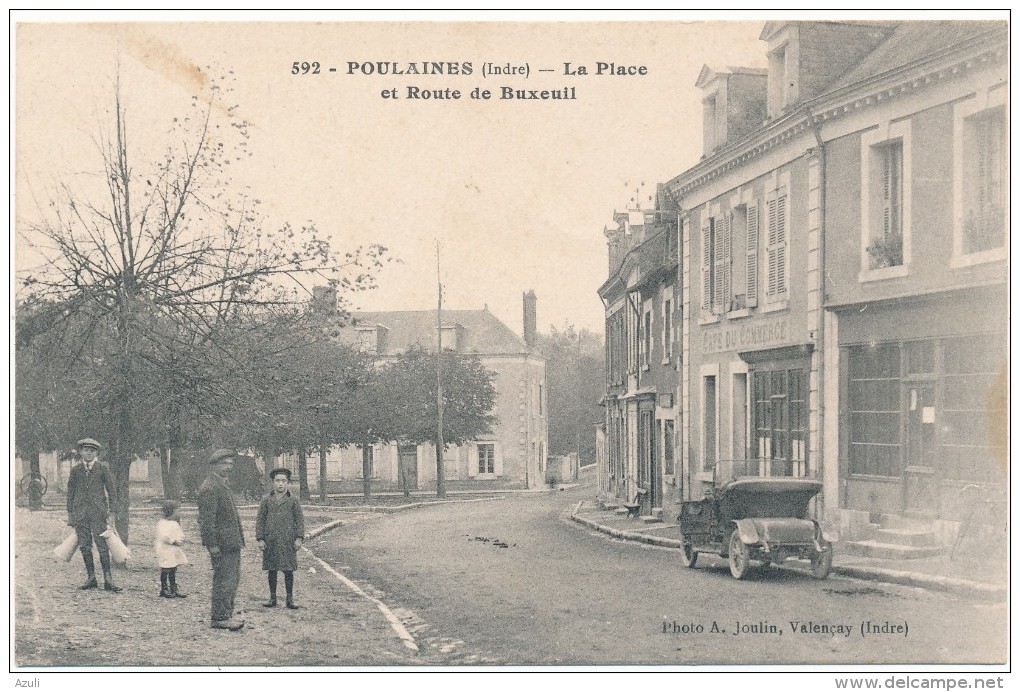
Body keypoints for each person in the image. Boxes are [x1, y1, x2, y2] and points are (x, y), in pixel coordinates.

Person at [197, 449, 245, 631]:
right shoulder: (210, 487)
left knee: (231, 579)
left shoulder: (221, 484)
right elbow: (206, 522)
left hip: (231, 542)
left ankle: (227, 613)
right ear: (214, 465)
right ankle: (220, 617)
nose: (229, 467)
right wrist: (212, 545)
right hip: (222, 544)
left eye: (231, 463)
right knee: (224, 580)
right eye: (225, 463)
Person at [65, 438, 121, 592]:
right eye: (85, 450)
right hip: (80, 513)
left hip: (98, 513)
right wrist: (70, 513)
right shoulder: (75, 470)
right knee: (84, 545)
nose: (88, 452)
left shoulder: (102, 469)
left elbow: (112, 492)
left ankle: (108, 579)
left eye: (92, 450)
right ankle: (91, 578)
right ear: (81, 452)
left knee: (102, 546)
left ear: (97, 452)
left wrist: (112, 512)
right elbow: (70, 493)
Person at [255, 468, 305, 610]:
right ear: (273, 483)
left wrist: (299, 538)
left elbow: (299, 520)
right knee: (272, 569)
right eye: (277, 481)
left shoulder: (293, 500)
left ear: (288, 483)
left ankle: (290, 598)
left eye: (283, 481)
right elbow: (260, 520)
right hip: (270, 541)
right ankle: (272, 597)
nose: (280, 484)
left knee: (288, 570)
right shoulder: (266, 500)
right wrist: (260, 539)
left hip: (287, 541)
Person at [154, 500, 189, 599]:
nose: (178, 513)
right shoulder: (162, 523)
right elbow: (164, 536)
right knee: (166, 568)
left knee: (173, 567)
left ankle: (173, 587)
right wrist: (173, 541)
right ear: (170, 511)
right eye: (177, 511)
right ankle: (164, 588)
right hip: (165, 549)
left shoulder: (174, 524)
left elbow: (180, 534)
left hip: (174, 549)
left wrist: (180, 539)